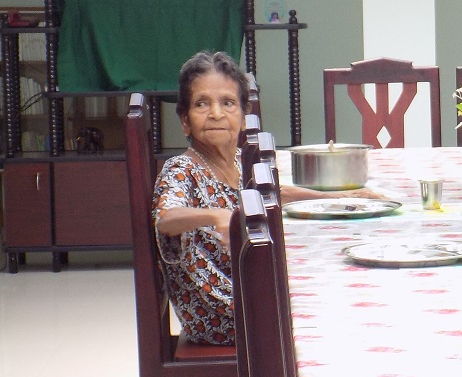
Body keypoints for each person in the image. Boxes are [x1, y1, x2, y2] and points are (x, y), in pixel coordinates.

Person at [153, 51, 385, 344]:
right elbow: (167, 218)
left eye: (228, 103)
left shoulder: (237, 160)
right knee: (338, 306)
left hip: (251, 294)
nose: (216, 113)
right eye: (202, 104)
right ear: (185, 121)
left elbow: (276, 192)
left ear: (243, 115)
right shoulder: (181, 169)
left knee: (348, 281)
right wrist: (219, 215)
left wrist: (344, 195)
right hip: (225, 313)